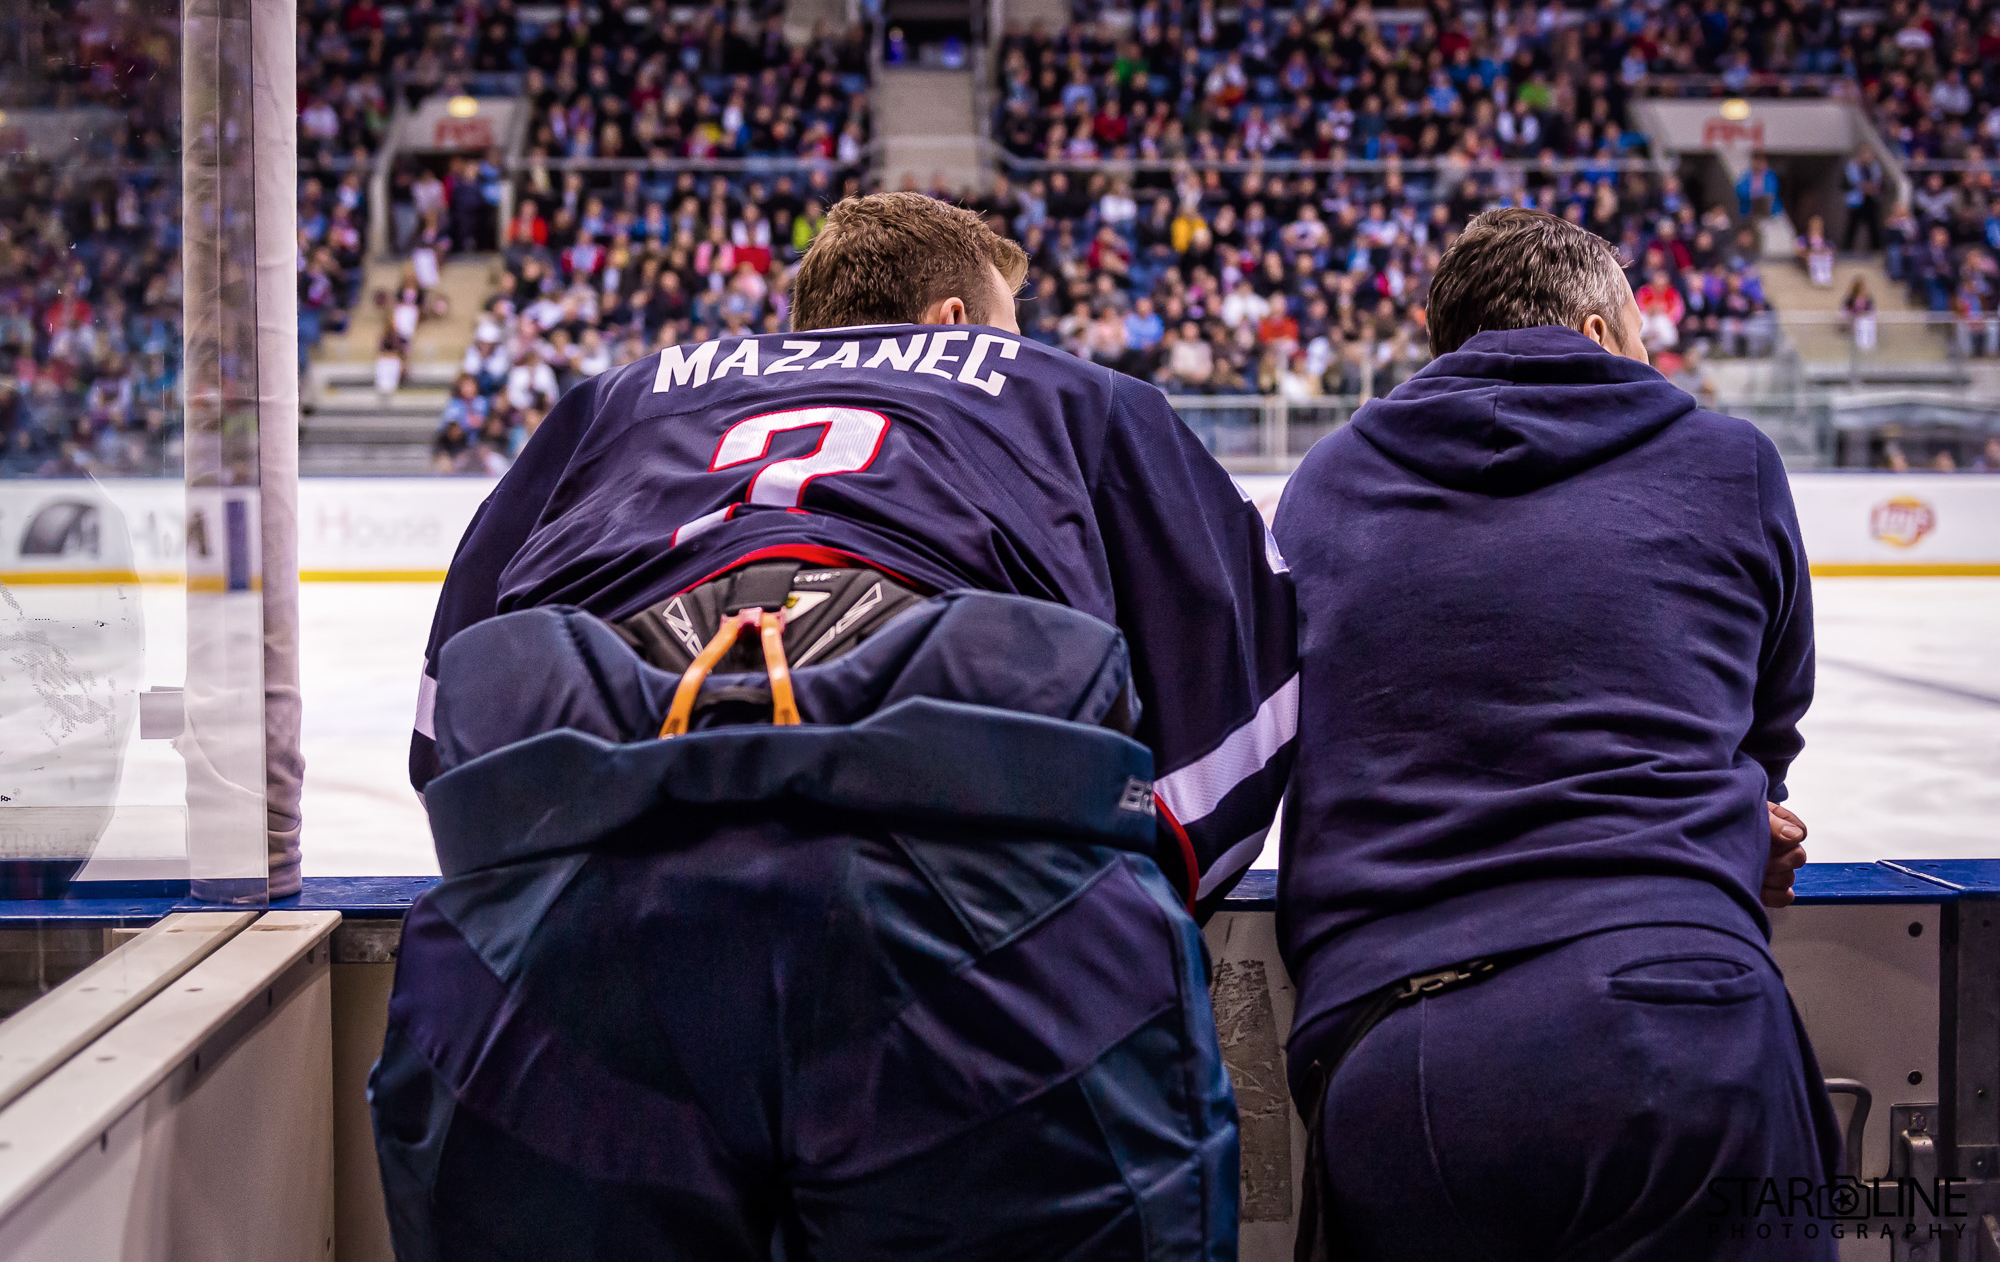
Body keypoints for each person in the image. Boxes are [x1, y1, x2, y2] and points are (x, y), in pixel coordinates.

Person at [376, 192, 1298, 1260]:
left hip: (566, 905)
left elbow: (448, 740)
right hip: (966, 897)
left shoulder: (612, 401)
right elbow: (1232, 737)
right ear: (955, 320)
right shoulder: (1077, 395)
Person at [1274, 208, 1833, 1262]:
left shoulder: (1324, 482)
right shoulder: (1728, 461)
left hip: (1389, 1035)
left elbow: (1296, 729)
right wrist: (1725, 822)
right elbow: (1766, 732)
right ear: (1595, 332)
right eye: (1642, 340)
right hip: (1674, 996)